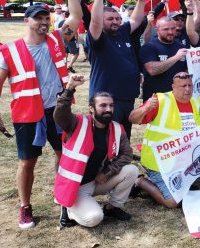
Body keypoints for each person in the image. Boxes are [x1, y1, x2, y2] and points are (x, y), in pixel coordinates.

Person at [0, 0, 82, 229]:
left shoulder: (56, 39)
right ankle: (25, 207)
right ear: (27, 20)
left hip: (57, 110)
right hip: (27, 114)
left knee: (64, 154)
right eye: (39, 18)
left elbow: (76, 18)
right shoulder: (10, 51)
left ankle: (64, 199)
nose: (44, 22)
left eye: (47, 18)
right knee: (27, 162)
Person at [53, 74, 138, 227]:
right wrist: (69, 89)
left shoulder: (117, 128)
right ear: (91, 108)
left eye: (111, 106)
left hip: (97, 180)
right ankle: (68, 207)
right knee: (94, 219)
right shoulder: (76, 123)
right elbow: (60, 115)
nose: (108, 109)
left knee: (131, 170)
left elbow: (127, 154)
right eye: (103, 106)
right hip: (75, 186)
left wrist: (107, 172)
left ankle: (113, 207)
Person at [129, 72, 200, 208]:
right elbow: (132, 118)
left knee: (186, 193)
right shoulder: (160, 100)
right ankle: (140, 181)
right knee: (172, 202)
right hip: (158, 163)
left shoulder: (196, 103)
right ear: (173, 87)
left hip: (181, 164)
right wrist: (146, 108)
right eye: (183, 86)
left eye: (190, 85)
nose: (187, 89)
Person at [87, 0, 147, 139]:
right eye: (110, 19)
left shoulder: (122, 31)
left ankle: (121, 160)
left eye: (117, 19)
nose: (115, 22)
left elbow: (135, 20)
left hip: (127, 97)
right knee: (105, 137)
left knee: (123, 134)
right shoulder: (98, 37)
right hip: (106, 98)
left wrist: (141, 1)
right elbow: (95, 20)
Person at [140, 16, 189, 101]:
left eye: (173, 28)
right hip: (155, 99)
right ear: (157, 30)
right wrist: (176, 57)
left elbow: (186, 70)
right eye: (166, 29)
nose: (170, 32)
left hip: (177, 97)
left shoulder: (181, 47)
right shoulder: (149, 47)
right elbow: (152, 70)